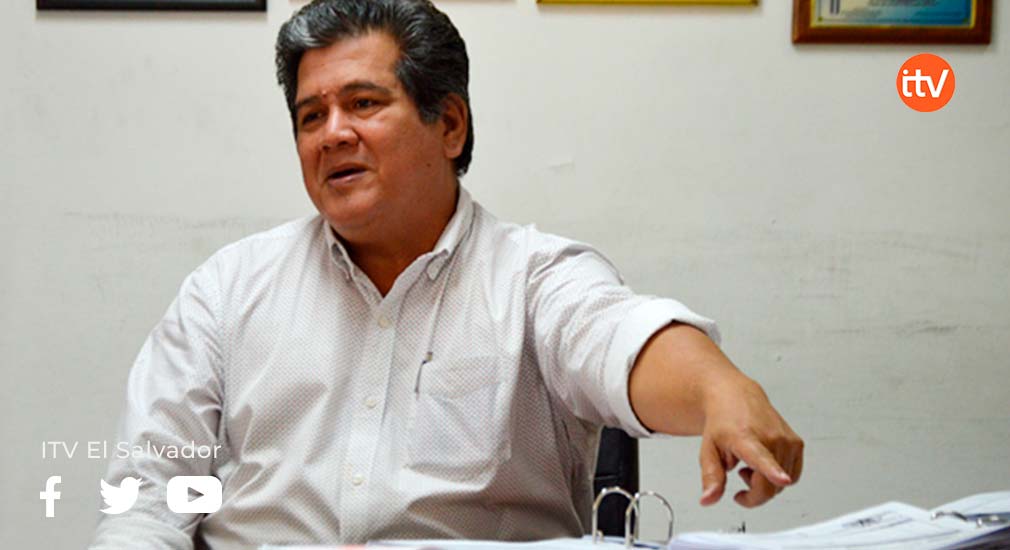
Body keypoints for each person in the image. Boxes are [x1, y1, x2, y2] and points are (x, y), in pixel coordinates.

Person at [90, 0, 803, 548]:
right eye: (311, 116)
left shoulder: (531, 278)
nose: (333, 133)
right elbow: (148, 498)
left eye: (363, 103)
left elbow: (618, 337)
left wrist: (721, 390)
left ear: (450, 125)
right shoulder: (228, 289)